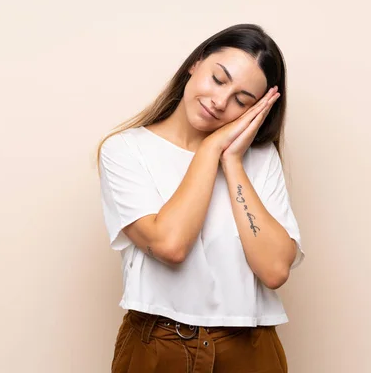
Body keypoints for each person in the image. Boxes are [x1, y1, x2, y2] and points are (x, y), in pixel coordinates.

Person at [97, 23, 304, 373]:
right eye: (218, 79)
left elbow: (274, 270)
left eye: (242, 100)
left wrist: (232, 161)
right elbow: (171, 245)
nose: (220, 102)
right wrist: (209, 150)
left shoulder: (260, 159)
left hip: (250, 348)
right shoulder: (125, 150)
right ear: (195, 62)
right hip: (158, 345)